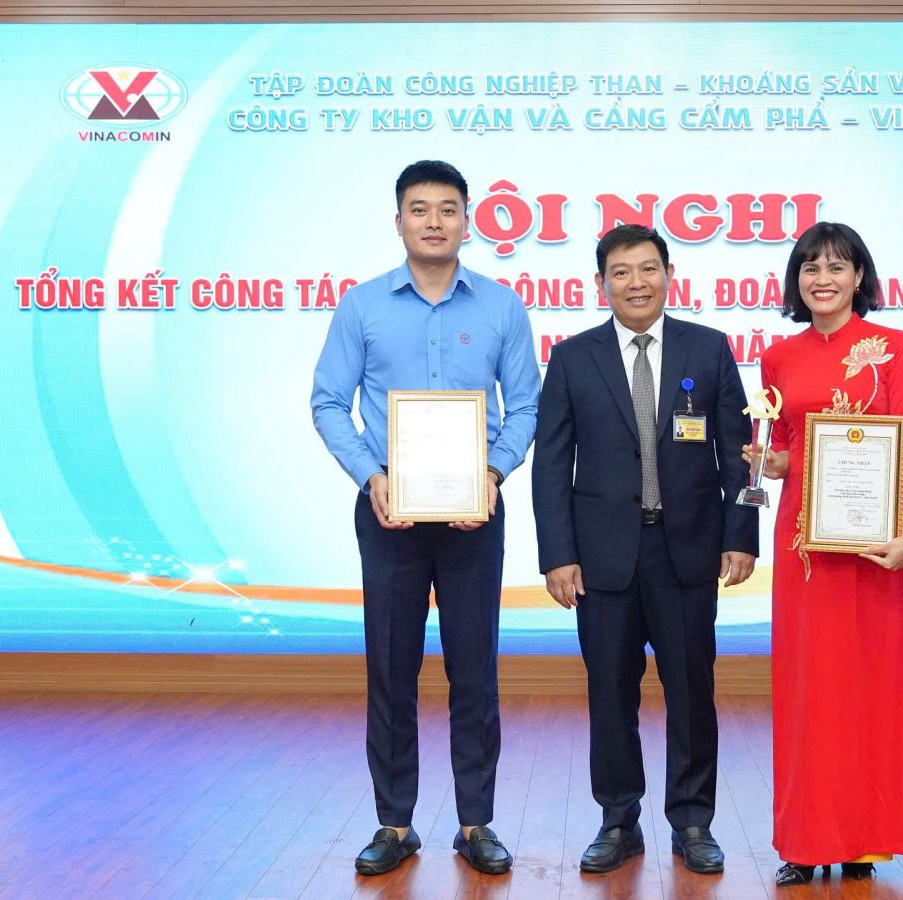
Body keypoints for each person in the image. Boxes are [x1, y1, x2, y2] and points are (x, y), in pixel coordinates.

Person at [310, 160, 539, 877]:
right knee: (390, 669)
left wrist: (492, 475)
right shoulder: (362, 306)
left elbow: (525, 405)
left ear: (468, 222)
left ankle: (476, 823)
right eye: (419, 209)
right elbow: (328, 401)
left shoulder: (502, 307)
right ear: (398, 220)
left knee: (475, 669)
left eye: (447, 209)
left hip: (476, 513)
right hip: (389, 514)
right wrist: (371, 476)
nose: (434, 221)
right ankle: (395, 823)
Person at [532, 224, 758, 875]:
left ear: (669, 274)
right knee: (609, 693)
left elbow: (739, 455)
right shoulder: (572, 358)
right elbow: (552, 465)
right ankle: (617, 819)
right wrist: (557, 554)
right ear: (601, 283)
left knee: (691, 692)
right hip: (602, 559)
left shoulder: (709, 349)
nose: (637, 282)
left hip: (687, 552)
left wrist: (741, 535)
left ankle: (693, 822)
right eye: (622, 272)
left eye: (649, 268)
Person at [747, 222, 903, 886]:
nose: (822, 279)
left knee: (869, 689)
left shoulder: (894, 348)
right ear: (796, 281)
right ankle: (804, 839)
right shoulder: (778, 358)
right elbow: (786, 452)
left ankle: (863, 839)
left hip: (876, 545)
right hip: (806, 546)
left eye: (836, 267)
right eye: (810, 268)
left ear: (859, 277)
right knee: (808, 692)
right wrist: (768, 461)